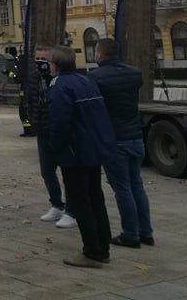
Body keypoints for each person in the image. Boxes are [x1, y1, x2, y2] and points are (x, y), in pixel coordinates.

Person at [47, 45, 115, 268]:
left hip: (74, 151)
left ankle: (92, 251)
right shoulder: (87, 81)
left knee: (80, 201)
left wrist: (55, 149)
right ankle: (103, 246)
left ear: (54, 66)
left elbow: (60, 122)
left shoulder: (58, 86)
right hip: (94, 148)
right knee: (96, 197)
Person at [89, 38, 154, 248]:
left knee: (122, 188)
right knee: (137, 185)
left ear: (99, 54)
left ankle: (131, 234)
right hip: (136, 136)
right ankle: (146, 232)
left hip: (115, 139)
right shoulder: (134, 73)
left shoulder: (96, 77)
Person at [26, 46, 75, 228]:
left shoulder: (58, 78)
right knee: (47, 171)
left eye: (44, 59)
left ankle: (71, 210)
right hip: (42, 130)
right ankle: (57, 204)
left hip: (59, 131)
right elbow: (30, 100)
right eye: (37, 58)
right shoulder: (32, 76)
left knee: (67, 171)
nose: (40, 62)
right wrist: (32, 120)